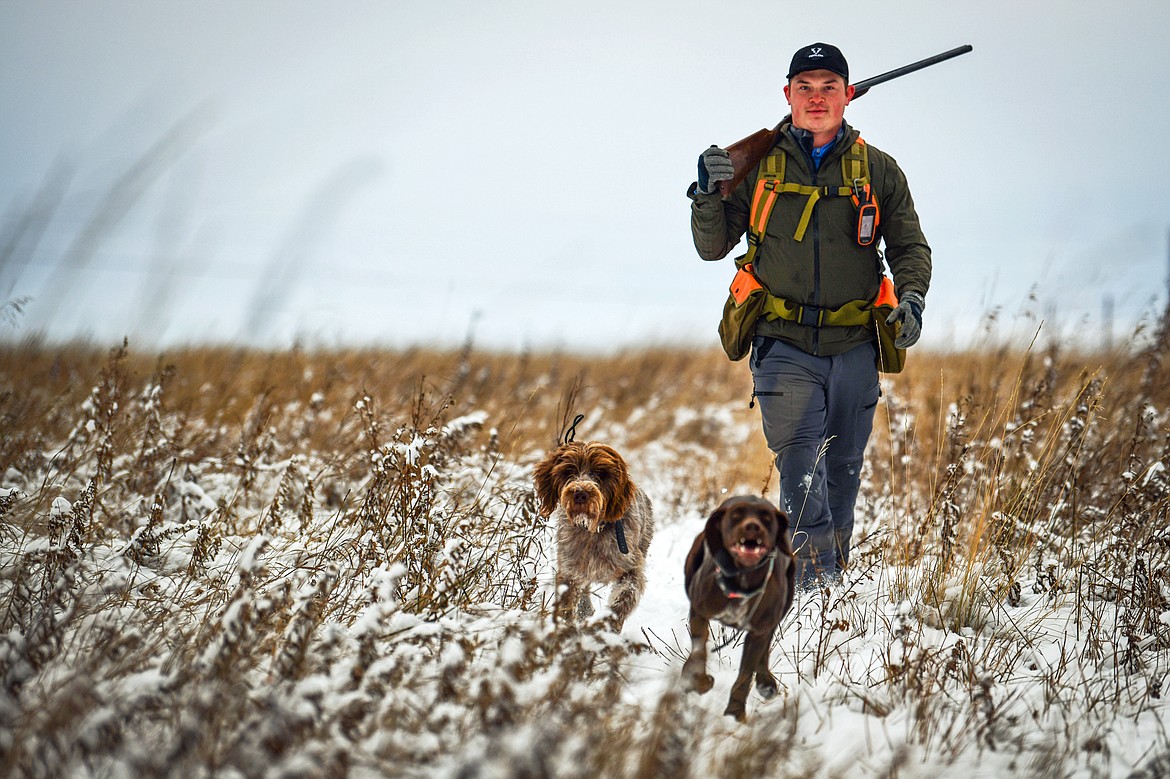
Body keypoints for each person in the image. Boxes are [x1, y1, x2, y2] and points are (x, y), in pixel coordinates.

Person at [688, 42, 931, 589]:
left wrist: (911, 300)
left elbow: (912, 248)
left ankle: (829, 579)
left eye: (828, 88)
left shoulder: (879, 170)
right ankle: (812, 584)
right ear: (788, 95)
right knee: (801, 466)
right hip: (783, 344)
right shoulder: (757, 165)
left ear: (848, 96)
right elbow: (713, 246)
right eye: (805, 87)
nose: (817, 98)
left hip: (854, 345)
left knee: (842, 470)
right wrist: (706, 193)